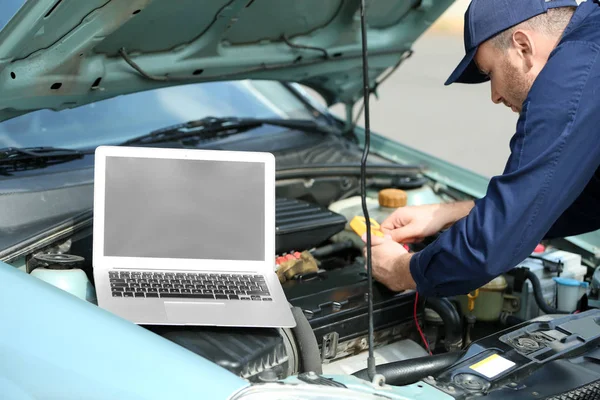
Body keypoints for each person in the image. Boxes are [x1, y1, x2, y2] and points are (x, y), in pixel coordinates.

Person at [364, 0, 600, 298]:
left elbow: (492, 244)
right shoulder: (591, 45)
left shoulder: (571, 79)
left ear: (523, 47)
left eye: (490, 73)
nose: (495, 96)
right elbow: (585, 199)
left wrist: (400, 270)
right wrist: (452, 212)